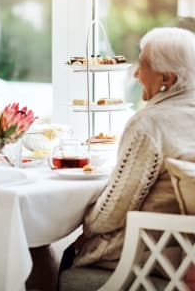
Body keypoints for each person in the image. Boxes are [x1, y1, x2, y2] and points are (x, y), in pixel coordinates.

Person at [60, 26, 195, 276]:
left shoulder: (150, 124)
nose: (135, 74)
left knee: (53, 251)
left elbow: (110, 215)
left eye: (143, 64)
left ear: (167, 79)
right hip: (184, 253)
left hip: (144, 254)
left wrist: (83, 223)